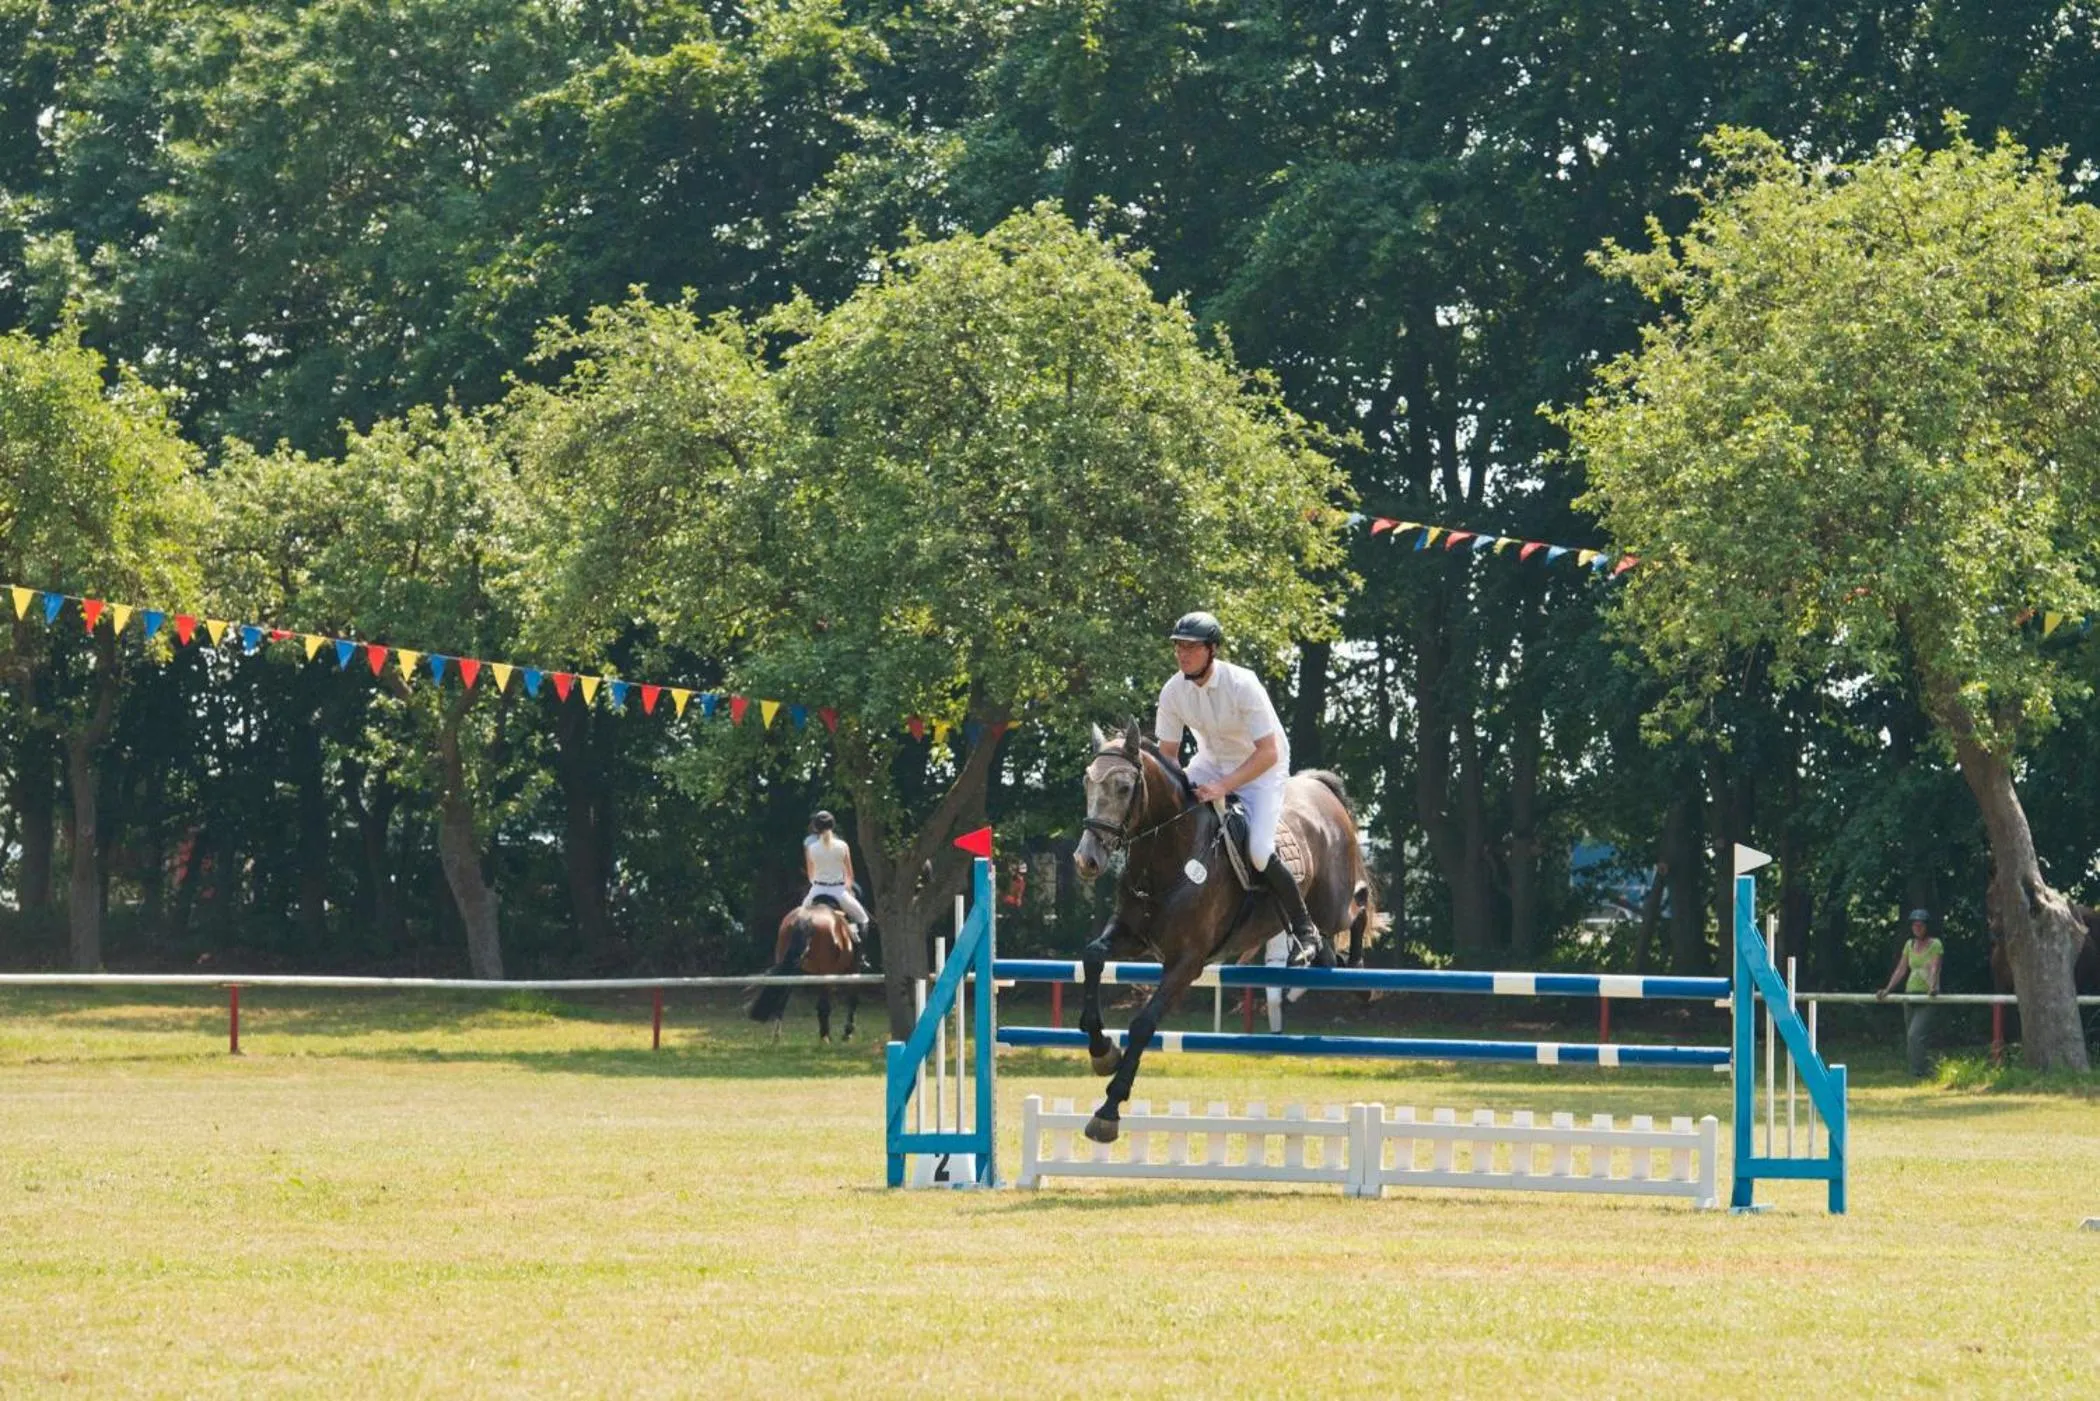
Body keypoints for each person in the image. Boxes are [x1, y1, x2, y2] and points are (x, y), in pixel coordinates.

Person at [1154, 611, 1325, 968]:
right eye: (1178, 647)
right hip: (1211, 761)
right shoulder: (1173, 690)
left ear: (1212, 649)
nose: (1182, 654)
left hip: (1262, 765)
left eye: (1191, 647)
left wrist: (1222, 787)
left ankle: (1305, 929)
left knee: (1260, 851)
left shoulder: (1242, 684)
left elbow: (1268, 752)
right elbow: (1167, 758)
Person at [1877, 908, 1942, 1078]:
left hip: (1927, 995)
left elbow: (1935, 967)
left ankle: (1919, 1072)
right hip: (1910, 993)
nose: (1917, 928)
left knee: (1916, 1034)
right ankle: (1917, 1069)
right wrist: (1888, 989)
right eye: (1915, 925)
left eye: (1920, 925)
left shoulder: (1935, 944)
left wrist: (1933, 986)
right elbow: (1901, 969)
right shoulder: (1909, 944)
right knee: (1911, 1036)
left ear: (1927, 927)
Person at [802, 812, 869, 940]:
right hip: (838, 891)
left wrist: (819, 883)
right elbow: (849, 875)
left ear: (816, 827)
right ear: (833, 826)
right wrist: (847, 889)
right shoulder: (843, 846)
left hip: (817, 890)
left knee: (799, 919)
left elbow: (811, 875)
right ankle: (861, 956)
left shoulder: (811, 848)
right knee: (863, 918)